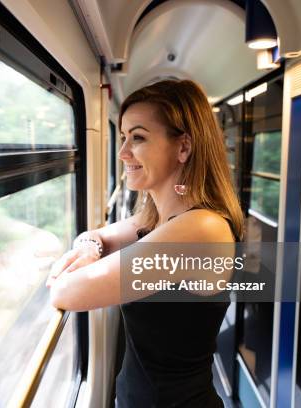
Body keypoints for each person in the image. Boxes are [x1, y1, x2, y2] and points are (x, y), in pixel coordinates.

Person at [46, 79, 244, 407]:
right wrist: (89, 249)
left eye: (137, 137)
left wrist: (78, 265)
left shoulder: (201, 229)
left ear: (183, 147)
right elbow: (96, 235)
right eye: (122, 137)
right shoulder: (156, 218)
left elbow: (67, 292)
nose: (123, 153)